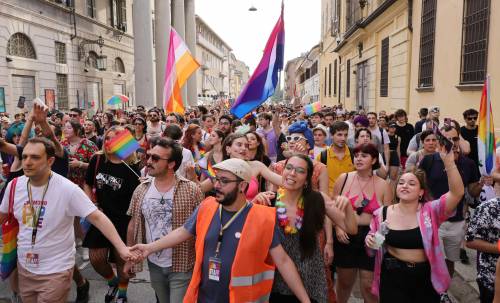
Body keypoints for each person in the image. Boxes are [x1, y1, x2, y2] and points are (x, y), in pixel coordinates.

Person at [128, 158, 312, 303]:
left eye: (224, 181)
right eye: (216, 179)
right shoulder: (207, 206)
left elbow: (283, 261)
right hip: (204, 297)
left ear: (242, 186)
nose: (216, 185)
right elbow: (183, 231)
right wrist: (149, 248)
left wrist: (305, 300)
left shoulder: (263, 217)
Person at [0, 137, 136, 303]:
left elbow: (97, 217)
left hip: (56, 270)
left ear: (50, 161)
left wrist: (122, 248)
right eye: (25, 157)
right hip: (25, 267)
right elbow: (3, 216)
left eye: (35, 157)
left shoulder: (67, 189)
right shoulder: (14, 186)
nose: (27, 162)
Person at [365, 144, 464, 302]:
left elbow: (457, 193)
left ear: (421, 192)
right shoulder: (381, 214)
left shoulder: (431, 211)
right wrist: (370, 241)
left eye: (412, 184)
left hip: (425, 277)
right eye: (402, 182)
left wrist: (449, 164)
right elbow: (372, 250)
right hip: (392, 277)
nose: (405, 186)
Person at [269, 154, 356, 303]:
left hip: (311, 278)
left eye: (300, 171)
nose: (292, 173)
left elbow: (351, 229)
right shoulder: (269, 201)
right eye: (288, 168)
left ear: (307, 179)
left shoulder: (318, 199)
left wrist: (347, 207)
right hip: (277, 279)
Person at [126, 138, 203, 303]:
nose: (148, 162)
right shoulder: (141, 189)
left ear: (171, 164)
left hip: (183, 263)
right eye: (149, 156)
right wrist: (129, 255)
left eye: (155, 158)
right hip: (154, 263)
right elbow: (134, 224)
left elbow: (202, 227)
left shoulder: (191, 190)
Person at [82, 126, 141, 303]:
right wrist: (91, 204)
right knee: (96, 258)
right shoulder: (97, 159)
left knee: (123, 261)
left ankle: (122, 294)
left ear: (123, 142)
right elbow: (87, 183)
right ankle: (112, 281)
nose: (109, 142)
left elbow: (138, 197)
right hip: (101, 217)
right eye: (107, 138)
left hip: (124, 220)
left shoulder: (133, 167)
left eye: (115, 139)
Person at [418, 124, 483, 279]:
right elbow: (420, 187)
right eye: (447, 139)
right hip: (433, 221)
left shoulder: (469, 164)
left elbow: (472, 191)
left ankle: (444, 291)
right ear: (440, 140)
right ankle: (431, 291)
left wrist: (482, 184)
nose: (452, 142)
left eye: (455, 138)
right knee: (432, 260)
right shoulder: (428, 161)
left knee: (450, 261)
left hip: (456, 222)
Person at [332, 143, 393, 303]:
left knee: (368, 285)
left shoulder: (384, 185)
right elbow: (332, 209)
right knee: (344, 282)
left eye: (364, 156)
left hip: (371, 237)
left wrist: (378, 238)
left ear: (373, 160)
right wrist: (338, 228)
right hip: (344, 235)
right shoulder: (343, 179)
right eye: (356, 155)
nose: (358, 158)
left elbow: (387, 218)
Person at [316, 121, 355, 196]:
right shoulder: (322, 157)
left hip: (351, 199)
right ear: (331, 135)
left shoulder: (354, 154)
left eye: (345, 135)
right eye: (339, 135)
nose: (343, 138)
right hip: (330, 201)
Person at [61, 121, 98, 189]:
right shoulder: (62, 144)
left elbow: (97, 166)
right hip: (65, 185)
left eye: (69, 128)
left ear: (77, 130)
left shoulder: (89, 145)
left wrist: (80, 164)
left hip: (83, 186)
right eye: (64, 127)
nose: (65, 130)